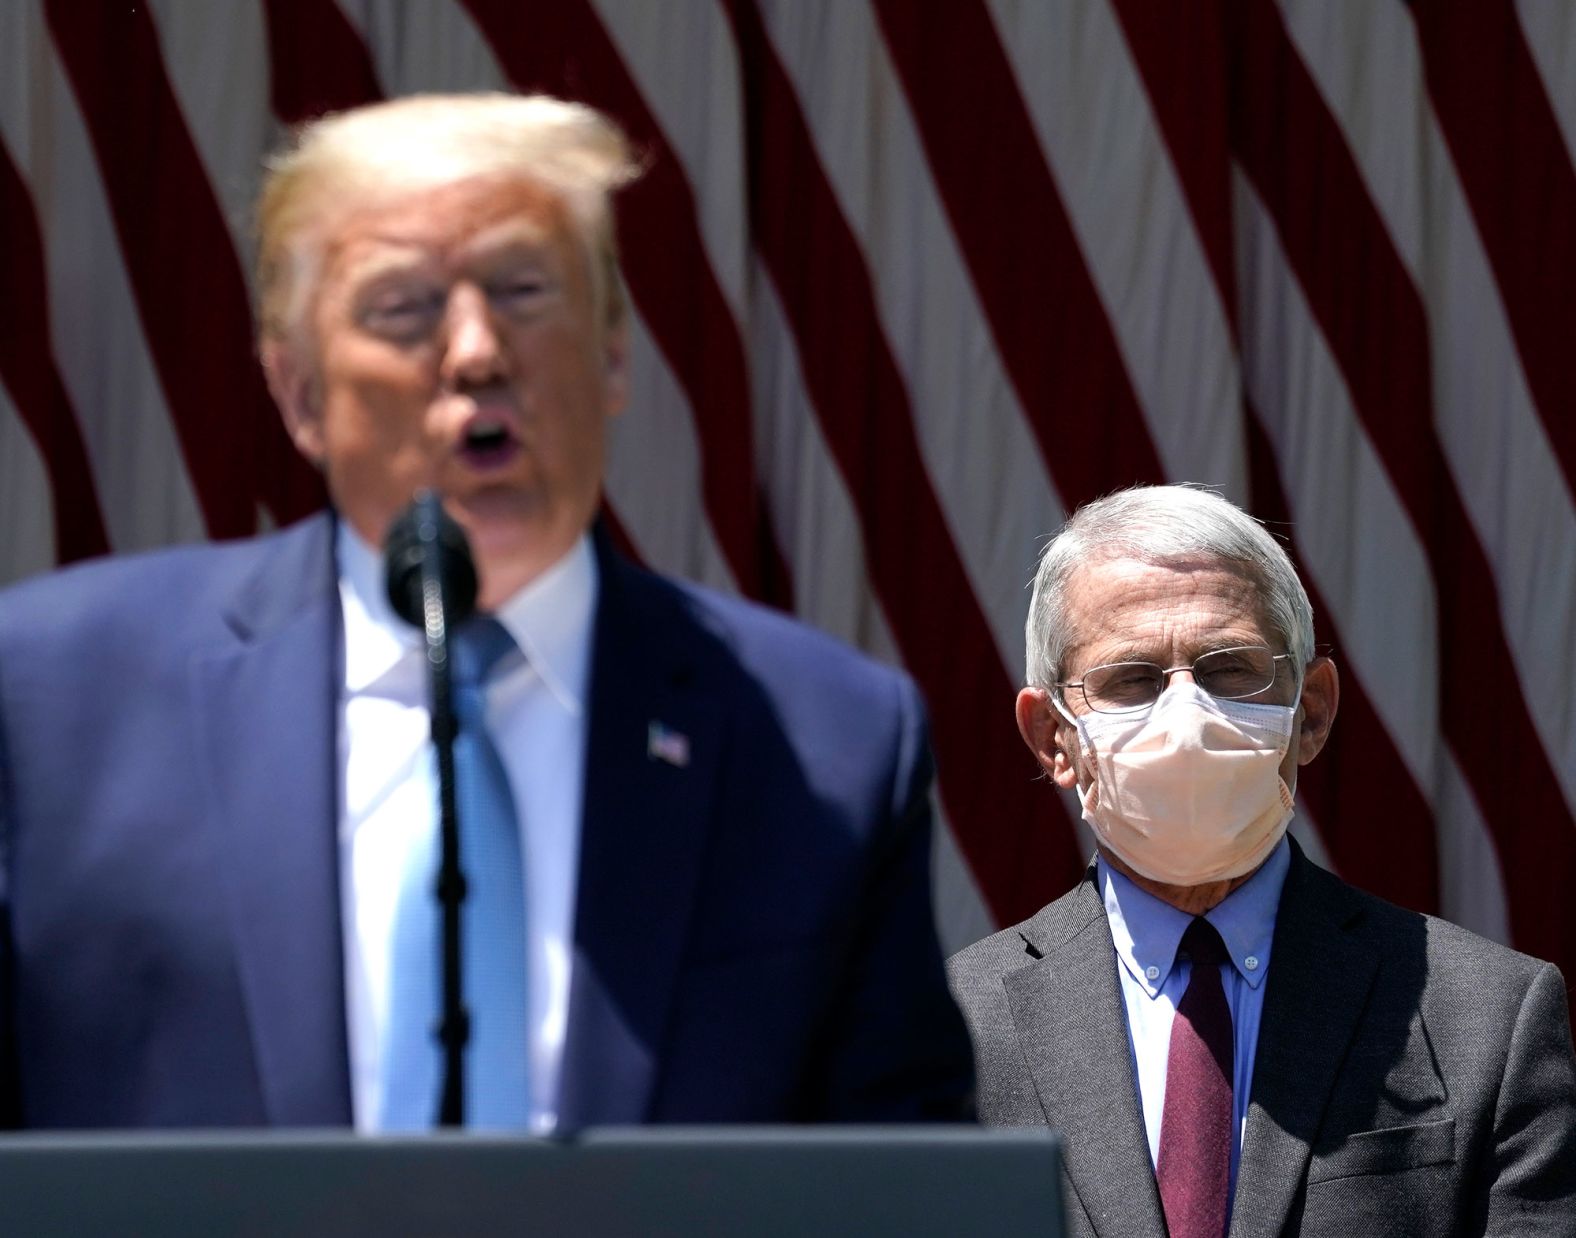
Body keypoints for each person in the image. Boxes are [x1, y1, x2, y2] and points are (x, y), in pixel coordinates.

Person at [0, 93, 972, 1131]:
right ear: (298, 393)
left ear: (611, 353)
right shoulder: (51, 700)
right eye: (403, 307)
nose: (474, 351)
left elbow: (901, 1180)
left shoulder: (827, 742)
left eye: (522, 290)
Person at [948, 485, 1576, 1236]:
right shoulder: (950, 1031)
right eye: (1132, 679)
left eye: (1228, 670)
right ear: (1053, 736)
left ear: (1309, 712)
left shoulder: (1488, 1014)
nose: (1186, 718)